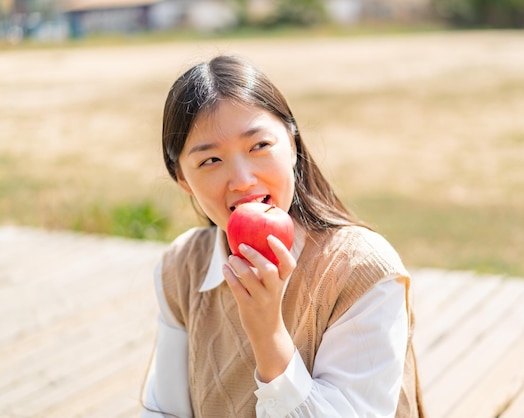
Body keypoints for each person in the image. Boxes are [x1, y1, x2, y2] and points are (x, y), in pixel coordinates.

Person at [141, 55, 425, 418]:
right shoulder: (182, 268)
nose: (242, 179)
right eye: (210, 160)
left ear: (292, 145)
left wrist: (268, 333)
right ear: (183, 180)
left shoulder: (361, 270)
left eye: (259, 146)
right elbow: (164, 410)